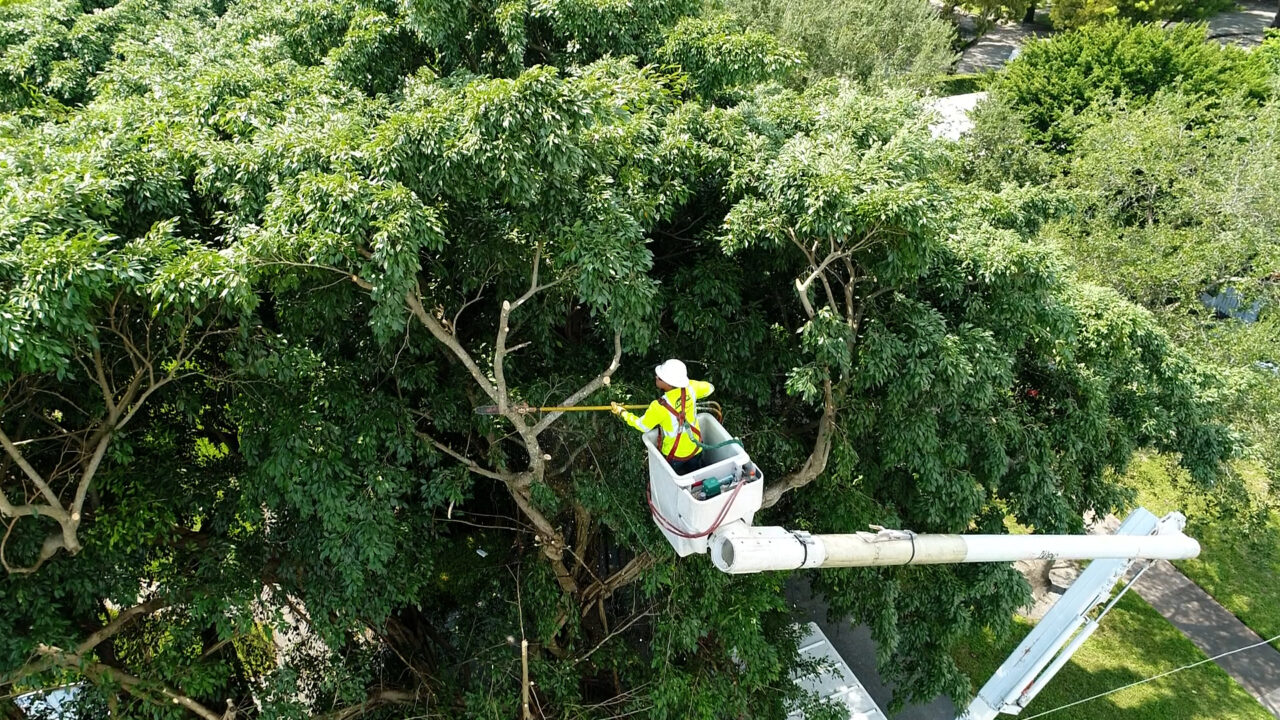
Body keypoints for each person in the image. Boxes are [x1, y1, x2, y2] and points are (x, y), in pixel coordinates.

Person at [611, 359, 714, 476]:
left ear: (669, 384)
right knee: (696, 474)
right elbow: (710, 388)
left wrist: (622, 412)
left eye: (659, 377)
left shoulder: (658, 407)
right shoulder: (692, 388)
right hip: (696, 448)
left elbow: (642, 426)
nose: (656, 377)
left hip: (675, 456)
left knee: (674, 478)